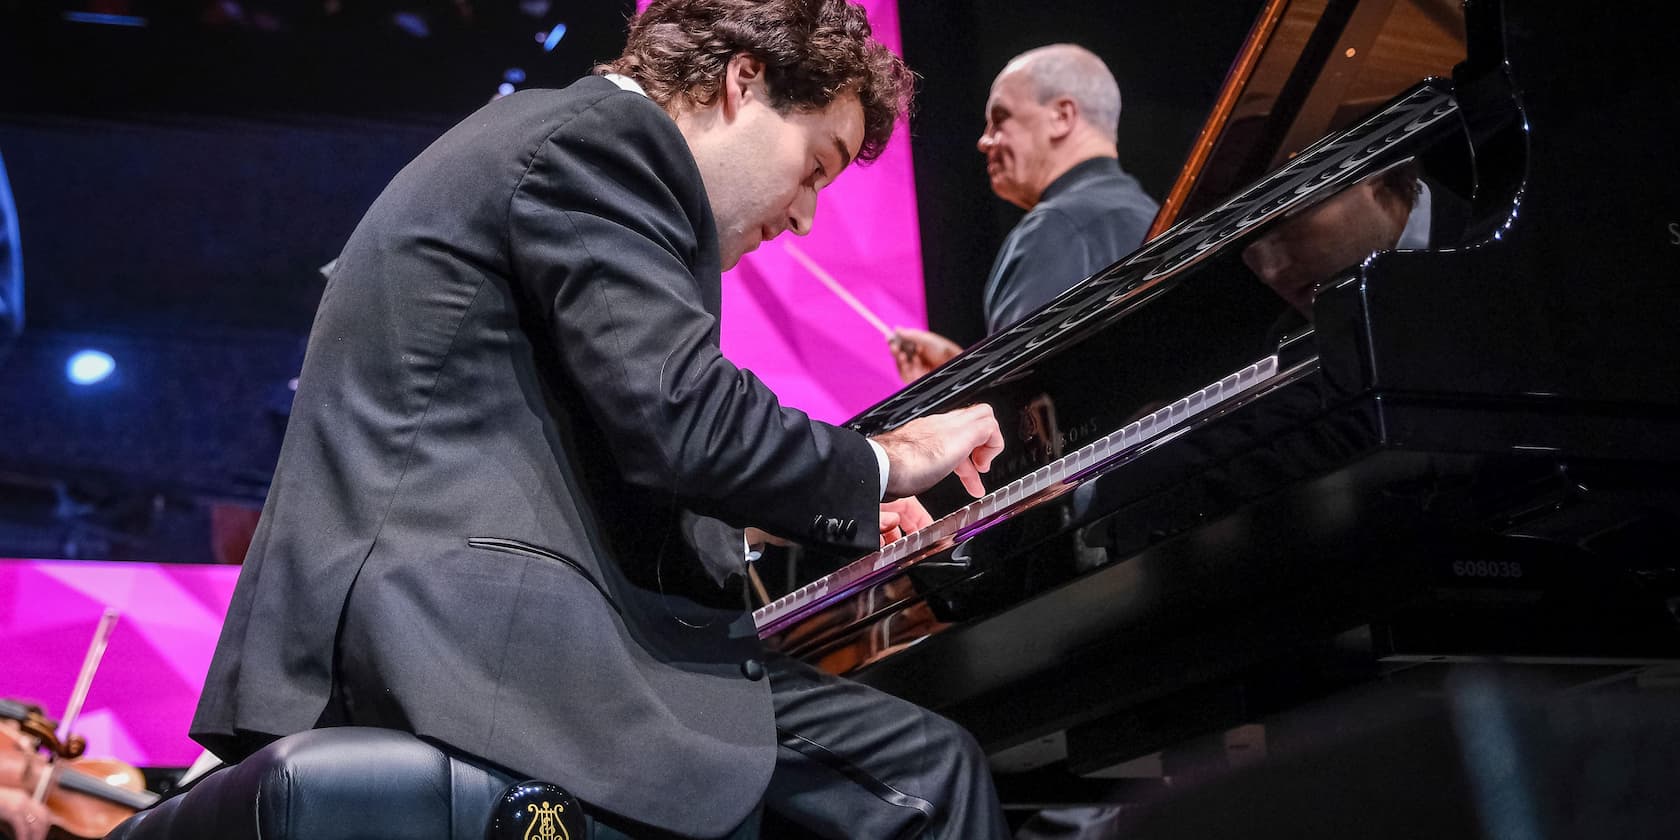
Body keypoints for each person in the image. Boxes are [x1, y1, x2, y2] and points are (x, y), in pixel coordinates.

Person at [187, 1, 1010, 837]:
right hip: (459, 647)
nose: (803, 217)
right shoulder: (608, 142)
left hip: (437, 627)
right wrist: (890, 457)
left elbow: (599, 451)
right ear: (741, 80)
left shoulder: (551, 140)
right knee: (930, 772)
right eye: (813, 168)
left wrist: (773, 526)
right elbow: (686, 416)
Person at [891, 44, 1159, 382]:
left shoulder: (1056, 229)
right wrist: (958, 371)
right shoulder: (1149, 216)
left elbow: (1022, 410)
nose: (984, 141)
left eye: (1000, 119)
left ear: (1062, 116)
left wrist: (955, 394)